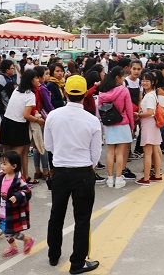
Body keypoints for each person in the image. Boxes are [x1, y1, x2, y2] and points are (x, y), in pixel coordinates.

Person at [45, 74, 101, 274]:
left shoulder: (53, 115)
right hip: (83, 172)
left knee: (56, 214)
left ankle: (53, 254)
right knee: (82, 218)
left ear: (65, 92)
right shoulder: (92, 120)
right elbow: (96, 153)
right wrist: (90, 166)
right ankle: (77, 263)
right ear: (86, 93)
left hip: (60, 171)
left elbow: (48, 146)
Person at [0, 150, 35, 257]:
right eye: (1, 163)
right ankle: (14, 247)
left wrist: (17, 196)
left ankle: (27, 239)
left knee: (10, 232)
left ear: (14, 166)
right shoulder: (1, 176)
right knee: (5, 230)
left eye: (5, 164)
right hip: (1, 209)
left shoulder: (18, 179)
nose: (2, 166)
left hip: (12, 211)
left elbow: (27, 192)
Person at [0, 70, 44, 184]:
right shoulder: (30, 95)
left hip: (6, 123)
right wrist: (38, 120)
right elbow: (26, 115)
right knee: (16, 156)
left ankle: (24, 176)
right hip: (18, 125)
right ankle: (11, 180)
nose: (38, 80)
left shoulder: (17, 90)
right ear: (30, 80)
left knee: (15, 153)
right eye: (36, 78)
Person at [98, 66, 135, 189]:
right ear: (118, 77)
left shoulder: (102, 92)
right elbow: (129, 109)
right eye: (123, 76)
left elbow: (100, 109)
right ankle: (118, 179)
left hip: (109, 124)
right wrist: (132, 125)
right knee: (119, 153)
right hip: (122, 122)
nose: (124, 78)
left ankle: (109, 179)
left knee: (110, 152)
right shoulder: (124, 90)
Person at [136, 72, 163, 185]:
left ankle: (146, 178)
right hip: (153, 125)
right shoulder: (151, 94)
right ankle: (156, 175)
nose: (144, 82)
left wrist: (138, 114)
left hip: (148, 125)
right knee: (155, 151)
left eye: (147, 80)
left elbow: (150, 112)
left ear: (152, 82)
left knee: (147, 153)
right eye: (143, 80)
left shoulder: (150, 96)